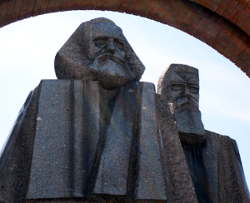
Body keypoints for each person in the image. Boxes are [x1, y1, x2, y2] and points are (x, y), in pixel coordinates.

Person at [158, 64, 250, 203]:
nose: (187, 93)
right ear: (163, 92)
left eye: (193, 89)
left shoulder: (225, 146)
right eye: (177, 86)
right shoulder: (152, 139)